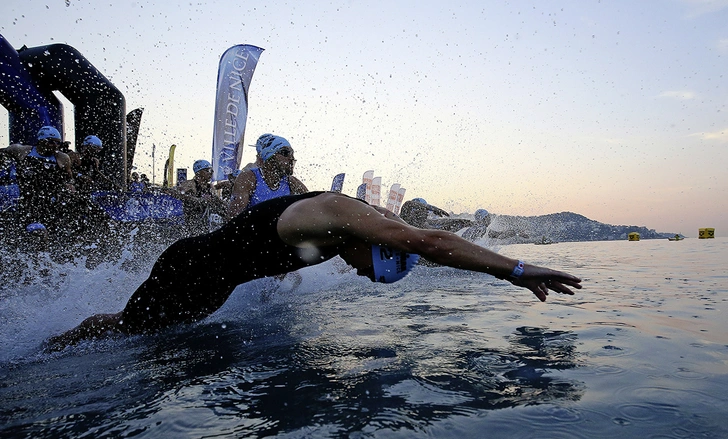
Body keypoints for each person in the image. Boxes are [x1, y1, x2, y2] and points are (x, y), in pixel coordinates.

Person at [45, 191, 582, 350]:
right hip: (191, 270)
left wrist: (280, 279)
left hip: (212, 281)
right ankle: (41, 350)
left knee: (144, 337)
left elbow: (263, 249)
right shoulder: (336, 215)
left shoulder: (341, 238)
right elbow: (432, 242)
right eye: (372, 272)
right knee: (123, 329)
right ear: (378, 249)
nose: (363, 277)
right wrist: (514, 269)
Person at [0, 126, 75, 238]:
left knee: (52, 233)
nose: (55, 146)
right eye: (51, 142)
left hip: (49, 200)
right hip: (26, 200)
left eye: (58, 143)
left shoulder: (62, 158)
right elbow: (3, 153)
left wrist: (70, 184)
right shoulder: (22, 151)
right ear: (41, 141)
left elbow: (69, 178)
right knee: (36, 232)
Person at [227, 134, 308, 219]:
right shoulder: (249, 179)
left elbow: (314, 206)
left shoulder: (291, 182)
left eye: (292, 154)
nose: (291, 158)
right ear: (269, 156)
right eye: (285, 153)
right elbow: (233, 218)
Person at [173, 159, 226, 235]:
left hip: (204, 223)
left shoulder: (210, 187)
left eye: (212, 171)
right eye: (208, 171)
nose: (211, 173)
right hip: (191, 222)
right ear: (198, 172)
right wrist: (197, 200)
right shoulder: (190, 184)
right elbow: (177, 194)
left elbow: (218, 201)